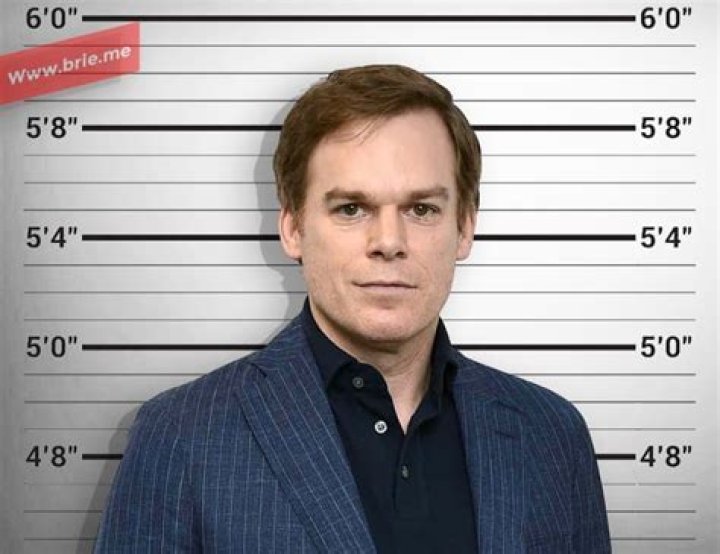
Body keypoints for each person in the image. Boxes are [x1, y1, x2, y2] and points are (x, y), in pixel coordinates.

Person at [93, 64, 611, 553]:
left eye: (421, 209)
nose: (389, 242)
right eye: (351, 208)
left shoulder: (551, 434)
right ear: (292, 228)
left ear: (465, 228)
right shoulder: (181, 436)